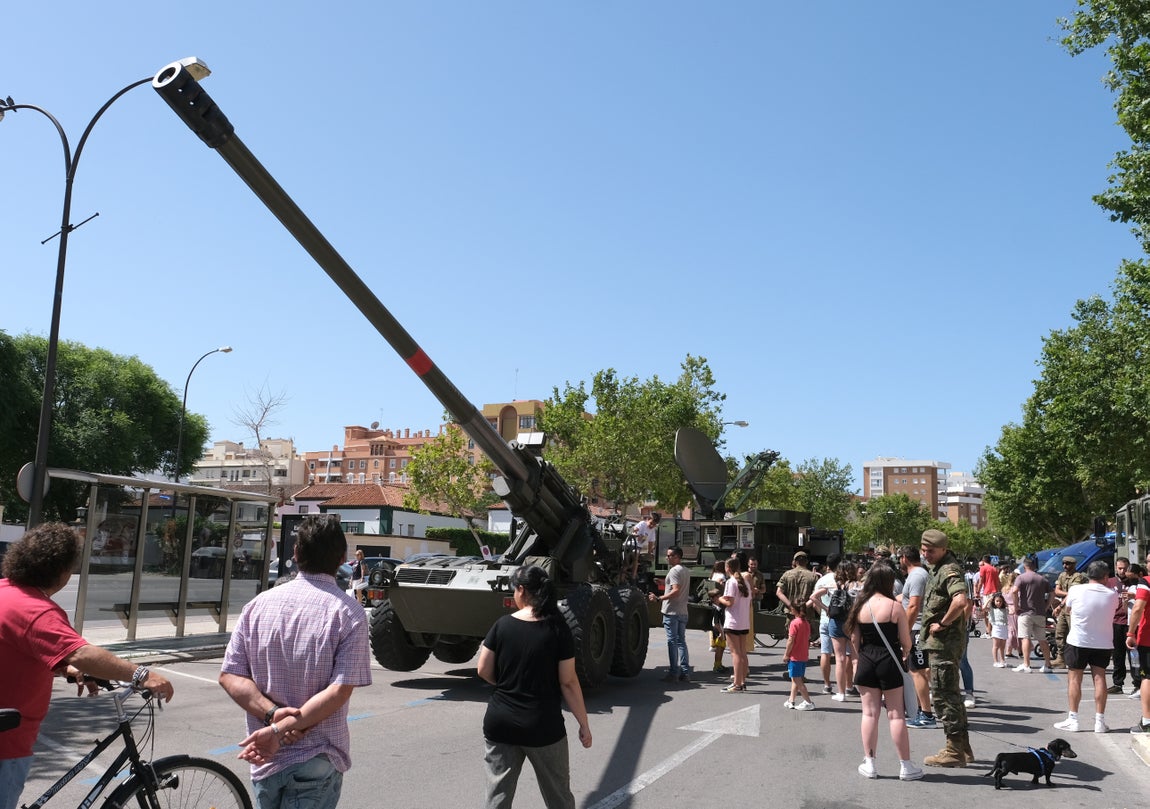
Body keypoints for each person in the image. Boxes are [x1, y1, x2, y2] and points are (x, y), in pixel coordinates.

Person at [0, 523, 175, 809]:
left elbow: (16, 651)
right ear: (63, 571)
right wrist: (142, 674)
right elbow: (81, 653)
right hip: (6, 745)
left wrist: (64, 667)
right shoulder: (36, 610)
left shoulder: (5, 592)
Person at [219, 513, 372, 808]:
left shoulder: (257, 606)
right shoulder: (348, 613)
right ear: (342, 558)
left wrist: (272, 716)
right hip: (316, 755)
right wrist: (281, 727)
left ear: (296, 553)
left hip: (265, 756)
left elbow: (230, 676)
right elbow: (339, 691)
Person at [478, 564, 591, 809]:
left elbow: (483, 669)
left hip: (500, 723)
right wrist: (584, 724)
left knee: (497, 797)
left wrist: (507, 683)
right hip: (543, 726)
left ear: (521, 590)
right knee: (559, 797)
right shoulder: (557, 628)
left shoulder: (502, 625)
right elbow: (568, 682)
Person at [845, 563, 922, 781]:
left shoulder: (860, 606)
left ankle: (869, 763)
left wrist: (858, 661)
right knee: (896, 715)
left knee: (869, 714)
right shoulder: (894, 607)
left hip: (866, 661)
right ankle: (906, 766)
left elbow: (854, 640)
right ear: (889, 582)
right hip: (889, 662)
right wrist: (904, 652)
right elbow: (906, 642)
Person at [917, 528, 972, 768]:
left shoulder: (948, 570)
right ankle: (964, 749)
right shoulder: (937, 568)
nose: (926, 554)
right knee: (952, 695)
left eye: (931, 551)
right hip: (943, 645)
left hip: (945, 645)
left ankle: (953, 751)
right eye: (923, 550)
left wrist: (943, 624)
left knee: (944, 697)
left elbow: (960, 601)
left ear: (944, 549)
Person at [1052, 560, 1121, 734]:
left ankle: (1073, 719)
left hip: (1078, 640)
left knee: (1074, 679)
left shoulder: (1076, 590)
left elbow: (1068, 609)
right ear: (1105, 576)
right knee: (1100, 678)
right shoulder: (1112, 594)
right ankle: (1100, 721)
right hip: (1103, 642)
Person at [898, 546, 934, 729]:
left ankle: (927, 715)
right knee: (918, 670)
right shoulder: (916, 575)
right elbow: (906, 599)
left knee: (917, 671)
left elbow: (913, 606)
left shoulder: (917, 575)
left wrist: (905, 631)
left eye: (899, 558)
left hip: (917, 629)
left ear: (904, 558)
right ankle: (921, 710)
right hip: (917, 628)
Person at [809, 555, 853, 700]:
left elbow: (813, 599)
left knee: (826, 653)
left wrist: (825, 609)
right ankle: (849, 686)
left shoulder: (823, 581)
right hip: (848, 620)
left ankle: (827, 685)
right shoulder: (852, 583)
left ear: (827, 566)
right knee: (849, 655)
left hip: (828, 619)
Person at [649, 546, 690, 683]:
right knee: (681, 642)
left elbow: (676, 591)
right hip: (683, 611)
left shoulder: (673, 571)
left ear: (677, 557)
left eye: (669, 555)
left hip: (672, 611)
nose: (667, 558)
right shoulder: (685, 570)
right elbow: (677, 587)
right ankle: (685, 672)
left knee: (672, 642)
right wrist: (663, 582)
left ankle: (673, 673)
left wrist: (658, 598)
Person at [1014, 555, 1055, 673]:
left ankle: (1026, 664)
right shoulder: (1042, 579)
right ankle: (1048, 664)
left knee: (1025, 637)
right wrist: (1047, 606)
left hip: (1025, 612)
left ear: (1024, 566)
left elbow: (1014, 591)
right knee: (1042, 639)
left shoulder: (1021, 578)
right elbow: (1052, 593)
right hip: (1040, 613)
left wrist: (1016, 606)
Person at [718, 556, 752, 693]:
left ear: (728, 568)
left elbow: (730, 603)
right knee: (742, 653)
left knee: (735, 654)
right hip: (744, 622)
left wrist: (720, 599)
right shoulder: (745, 582)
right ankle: (742, 681)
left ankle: (737, 683)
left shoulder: (731, 582)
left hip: (733, 622)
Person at [1126, 554, 1150, 733]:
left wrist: (1130, 632)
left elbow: (1138, 607)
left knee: (1147, 677)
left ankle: (1147, 721)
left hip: (1148, 638)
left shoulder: (1145, 582)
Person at [1050, 556, 1088, 668]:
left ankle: (1077, 660)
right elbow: (1057, 591)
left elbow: (1073, 593)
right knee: (1060, 633)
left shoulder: (1078, 577)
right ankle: (1061, 659)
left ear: (1074, 565)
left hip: (1074, 609)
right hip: (1064, 608)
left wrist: (1061, 604)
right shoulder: (1062, 575)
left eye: (1067, 564)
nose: (1065, 566)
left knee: (1075, 634)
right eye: (1063, 563)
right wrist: (1070, 594)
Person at [1109, 556, 1135, 694]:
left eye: (1125, 568)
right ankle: (1117, 684)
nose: (1122, 571)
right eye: (1120, 568)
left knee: (1133, 655)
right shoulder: (1110, 582)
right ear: (1115, 568)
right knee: (1118, 655)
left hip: (1131, 623)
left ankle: (1137, 683)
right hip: (1116, 622)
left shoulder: (1134, 582)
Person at [776, 550, 820, 634]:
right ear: (806, 561)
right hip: (807, 614)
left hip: (791, 613)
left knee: (791, 637)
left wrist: (791, 606)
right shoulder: (813, 576)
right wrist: (804, 607)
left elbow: (779, 592)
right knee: (806, 637)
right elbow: (815, 596)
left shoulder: (787, 574)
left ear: (795, 562)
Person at [782, 603, 815, 711]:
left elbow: (791, 640)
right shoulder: (806, 623)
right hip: (803, 655)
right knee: (795, 679)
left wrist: (786, 654)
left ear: (795, 610)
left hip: (795, 656)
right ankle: (791, 700)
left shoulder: (794, 623)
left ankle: (808, 702)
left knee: (797, 681)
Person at [628, 513, 661, 581]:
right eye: (651, 523)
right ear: (648, 519)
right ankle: (632, 577)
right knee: (636, 555)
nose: (652, 526)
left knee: (639, 557)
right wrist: (635, 533)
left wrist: (649, 552)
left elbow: (651, 542)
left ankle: (634, 575)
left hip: (639, 547)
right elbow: (635, 529)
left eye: (654, 525)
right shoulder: (642, 524)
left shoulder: (652, 530)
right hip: (631, 544)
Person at [976, 554, 1000, 634]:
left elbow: (981, 581)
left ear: (983, 561)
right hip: (995, 592)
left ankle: (989, 631)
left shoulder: (983, 568)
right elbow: (998, 582)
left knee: (988, 612)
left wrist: (977, 592)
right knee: (992, 612)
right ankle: (991, 630)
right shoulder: (994, 569)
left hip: (988, 591)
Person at [988, 592, 1009, 667]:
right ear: (994, 601)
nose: (999, 603)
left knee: (1002, 646)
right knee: (996, 646)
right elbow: (983, 608)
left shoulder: (1004, 609)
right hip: (996, 627)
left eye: (1000, 601)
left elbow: (1009, 608)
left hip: (1004, 627)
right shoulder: (992, 609)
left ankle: (1002, 660)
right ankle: (995, 661)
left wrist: (1006, 603)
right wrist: (989, 600)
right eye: (997, 601)